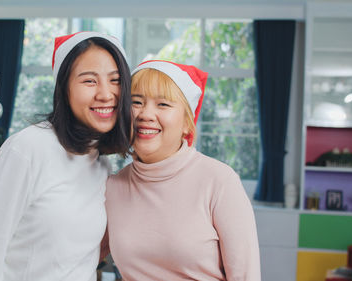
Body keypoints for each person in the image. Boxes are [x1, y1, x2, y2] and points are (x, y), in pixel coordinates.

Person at [0, 31, 132, 281]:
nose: (106, 94)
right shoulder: (27, 149)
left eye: (115, 80)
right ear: (64, 89)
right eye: (89, 81)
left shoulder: (102, 164)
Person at [104, 60, 261, 280]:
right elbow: (79, 257)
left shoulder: (219, 181)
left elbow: (246, 276)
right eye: (136, 102)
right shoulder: (113, 187)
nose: (146, 114)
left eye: (163, 105)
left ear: (188, 124)